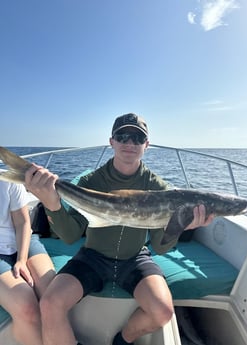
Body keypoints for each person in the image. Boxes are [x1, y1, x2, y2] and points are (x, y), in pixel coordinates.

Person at [24, 113, 214, 345]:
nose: (129, 142)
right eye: (122, 136)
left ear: (147, 144)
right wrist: (52, 206)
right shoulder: (91, 181)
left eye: (137, 137)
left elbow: (159, 248)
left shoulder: (159, 189)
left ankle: (123, 340)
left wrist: (179, 227)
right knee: (50, 304)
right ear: (111, 141)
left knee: (163, 311)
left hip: (134, 258)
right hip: (92, 257)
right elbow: (71, 236)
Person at [0, 180, 55, 345]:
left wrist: (21, 260)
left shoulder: (7, 180)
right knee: (27, 308)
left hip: (23, 240)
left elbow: (22, 222)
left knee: (53, 295)